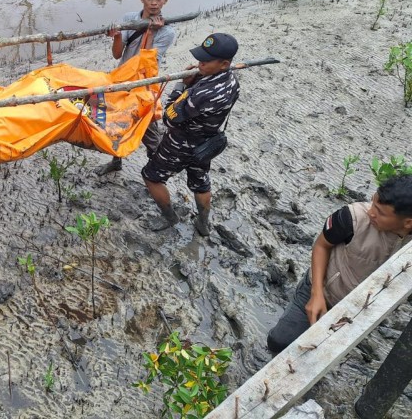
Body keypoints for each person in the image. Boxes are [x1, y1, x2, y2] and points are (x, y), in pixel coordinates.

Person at [267, 175, 412, 354]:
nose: (371, 212)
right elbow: (321, 245)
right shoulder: (351, 218)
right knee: (279, 342)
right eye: (373, 202)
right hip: (323, 289)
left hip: (357, 306)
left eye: (380, 212)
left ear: (408, 222)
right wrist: (316, 294)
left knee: (322, 351)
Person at [141, 33, 240, 236]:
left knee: (151, 176)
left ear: (224, 63)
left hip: (180, 143)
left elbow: (168, 117)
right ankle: (203, 223)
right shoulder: (232, 81)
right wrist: (198, 80)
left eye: (206, 61)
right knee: (200, 182)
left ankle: (170, 217)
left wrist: (183, 85)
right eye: (200, 58)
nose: (199, 63)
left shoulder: (203, 93)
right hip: (206, 143)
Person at [95, 0, 177, 176]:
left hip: (144, 86)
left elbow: (144, 64)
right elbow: (117, 54)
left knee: (149, 132)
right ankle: (116, 161)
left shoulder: (167, 32)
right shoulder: (129, 19)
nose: (154, 3)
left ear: (166, 0)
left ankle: (157, 171)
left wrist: (150, 32)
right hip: (122, 82)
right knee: (116, 125)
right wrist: (116, 36)